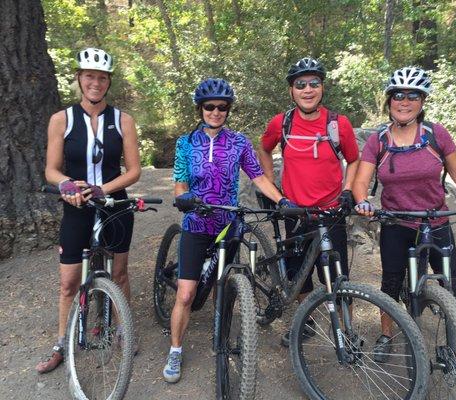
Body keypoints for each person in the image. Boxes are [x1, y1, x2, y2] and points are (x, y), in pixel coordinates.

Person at [352, 66, 456, 362]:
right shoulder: (378, 140)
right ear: (389, 100)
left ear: (422, 101)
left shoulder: (436, 134)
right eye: (398, 95)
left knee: (452, 280)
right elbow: (360, 181)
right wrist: (363, 200)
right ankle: (386, 334)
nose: (404, 101)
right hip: (396, 221)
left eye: (412, 95)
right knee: (391, 283)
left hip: (435, 221)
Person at [163, 78, 289, 383]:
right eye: (210, 107)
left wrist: (282, 200)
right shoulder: (186, 142)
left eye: (222, 107)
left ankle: (225, 331)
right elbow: (180, 181)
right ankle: (176, 350)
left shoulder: (240, 142)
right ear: (201, 109)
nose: (216, 112)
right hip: (196, 222)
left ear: (228, 110)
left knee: (224, 285)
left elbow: (258, 178)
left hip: (228, 222)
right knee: (186, 294)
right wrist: (182, 198)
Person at [36, 48, 142, 373]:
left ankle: (123, 329)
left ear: (108, 82)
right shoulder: (61, 120)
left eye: (102, 78)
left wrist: (102, 189)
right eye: (89, 76)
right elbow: (51, 170)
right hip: (77, 208)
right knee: (69, 282)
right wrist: (68, 185)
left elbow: (134, 171)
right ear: (80, 79)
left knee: (120, 273)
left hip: (114, 204)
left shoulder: (122, 120)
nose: (95, 83)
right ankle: (61, 342)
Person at [257, 57, 359, 347]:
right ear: (292, 91)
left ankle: (348, 332)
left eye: (314, 83)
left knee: (339, 275)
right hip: (295, 211)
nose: (308, 89)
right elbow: (263, 149)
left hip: (331, 211)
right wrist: (270, 185)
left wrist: (348, 190)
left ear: (322, 87)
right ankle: (307, 322)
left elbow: (354, 160)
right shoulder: (282, 123)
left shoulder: (338, 124)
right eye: (300, 84)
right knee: (298, 272)